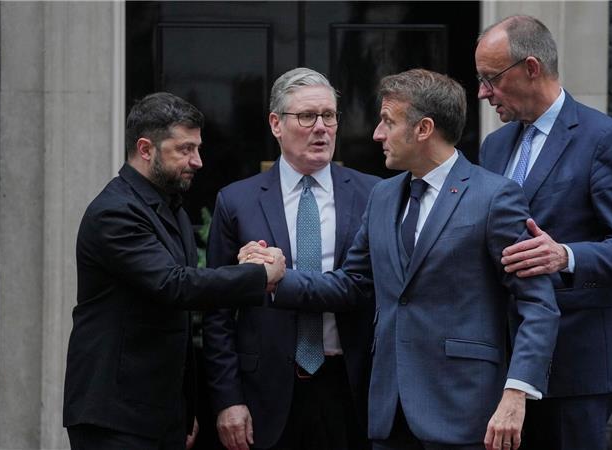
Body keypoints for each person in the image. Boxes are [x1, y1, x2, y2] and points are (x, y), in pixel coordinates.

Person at [258, 68, 559, 450]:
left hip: (466, 413)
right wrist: (275, 277)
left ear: (423, 129)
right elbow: (352, 283)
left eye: (387, 121)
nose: (376, 134)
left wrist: (517, 393)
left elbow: (537, 304)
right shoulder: (382, 197)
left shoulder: (494, 197)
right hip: (388, 412)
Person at [63, 92, 286, 450]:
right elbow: (173, 285)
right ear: (146, 149)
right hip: (114, 417)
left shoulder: (171, 208)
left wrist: (184, 409)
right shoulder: (115, 212)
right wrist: (259, 275)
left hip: (158, 413)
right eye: (184, 149)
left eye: (197, 148)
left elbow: (178, 301)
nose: (197, 161)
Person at [475, 16, 612, 450]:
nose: (482, 92)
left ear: (531, 67)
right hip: (506, 358)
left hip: (577, 360)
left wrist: (566, 257)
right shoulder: (494, 145)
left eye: (490, 78)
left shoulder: (605, 139)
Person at [202, 68, 380, 450]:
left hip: (351, 388)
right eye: (307, 116)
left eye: (329, 116)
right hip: (264, 391)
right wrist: (228, 399)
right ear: (275, 124)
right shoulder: (236, 201)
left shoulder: (374, 195)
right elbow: (217, 313)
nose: (322, 128)